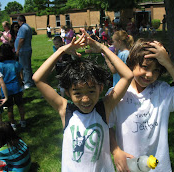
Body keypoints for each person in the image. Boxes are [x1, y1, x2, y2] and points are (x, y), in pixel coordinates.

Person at [32, 28, 133, 171]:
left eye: (91, 91)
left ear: (100, 88)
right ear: (67, 92)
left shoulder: (105, 107)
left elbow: (127, 75)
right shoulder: (65, 109)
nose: (85, 99)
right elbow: (37, 79)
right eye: (78, 93)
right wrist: (62, 50)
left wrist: (103, 48)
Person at [109, 38, 174, 172]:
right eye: (144, 67)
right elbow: (106, 125)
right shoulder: (118, 94)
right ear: (132, 63)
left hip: (160, 167)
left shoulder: (162, 91)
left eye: (156, 70)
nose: (149, 74)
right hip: (130, 166)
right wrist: (115, 151)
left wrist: (168, 63)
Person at [0, 44, 25, 131]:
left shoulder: (0, 65)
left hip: (6, 90)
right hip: (16, 88)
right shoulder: (16, 63)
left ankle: (13, 124)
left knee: (10, 108)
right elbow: (21, 76)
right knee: (20, 105)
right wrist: (21, 83)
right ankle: (23, 121)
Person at [15, 15, 34, 89]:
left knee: (25, 67)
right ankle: (29, 80)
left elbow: (21, 40)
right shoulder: (27, 27)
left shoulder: (23, 28)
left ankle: (28, 83)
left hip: (24, 50)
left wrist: (18, 49)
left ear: (20, 21)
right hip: (26, 49)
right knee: (27, 66)